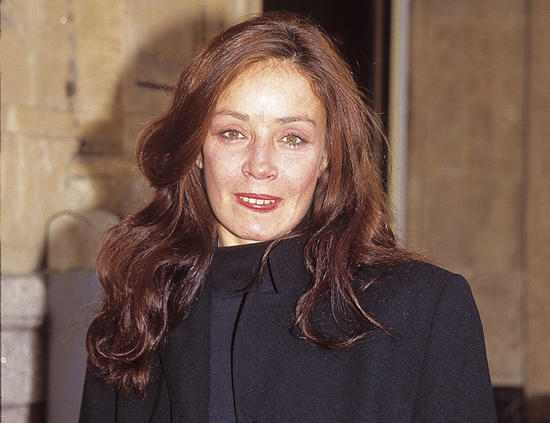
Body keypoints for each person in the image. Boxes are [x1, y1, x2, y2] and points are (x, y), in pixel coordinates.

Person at [79, 11, 497, 422]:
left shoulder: (423, 309)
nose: (259, 165)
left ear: (327, 156)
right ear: (197, 149)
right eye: (233, 133)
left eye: (292, 138)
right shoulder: (138, 314)